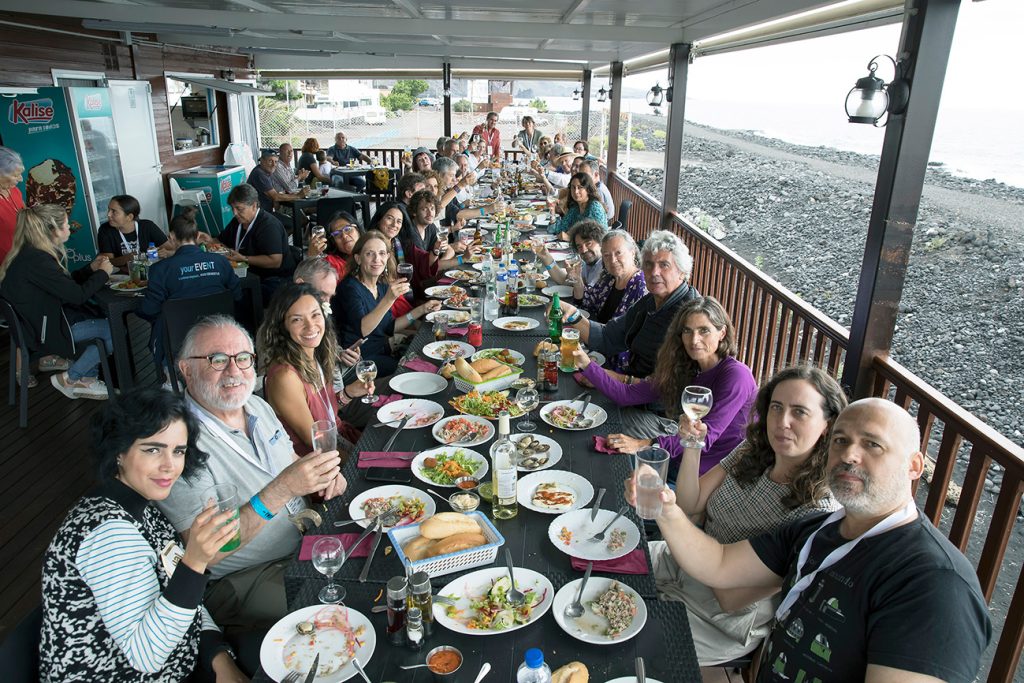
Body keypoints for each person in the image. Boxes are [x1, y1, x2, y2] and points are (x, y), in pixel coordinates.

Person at [628, 398, 992, 683]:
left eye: (872, 445)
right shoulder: (818, 529)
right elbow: (720, 564)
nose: (850, 454)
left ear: (913, 467)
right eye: (841, 441)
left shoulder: (935, 583)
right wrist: (667, 508)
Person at [39, 387, 249, 682]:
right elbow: (147, 655)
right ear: (119, 451)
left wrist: (219, 657)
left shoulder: (141, 506)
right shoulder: (108, 534)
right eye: (153, 449)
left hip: (183, 663)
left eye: (178, 451)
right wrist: (195, 562)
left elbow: (184, 599)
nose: (170, 465)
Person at [645, 366, 845, 670]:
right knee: (601, 567)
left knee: (628, 639)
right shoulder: (753, 451)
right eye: (776, 408)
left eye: (800, 412)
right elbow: (691, 503)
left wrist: (685, 534)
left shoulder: (817, 511)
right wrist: (692, 446)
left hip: (719, 618)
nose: (782, 422)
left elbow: (731, 598)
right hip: (678, 562)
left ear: (827, 426)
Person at [156, 315, 345, 633]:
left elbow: (290, 460)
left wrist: (322, 475)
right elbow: (210, 553)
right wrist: (284, 488)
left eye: (243, 358)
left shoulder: (257, 406)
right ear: (185, 368)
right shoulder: (177, 445)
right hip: (248, 576)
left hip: (306, 537)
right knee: (340, 604)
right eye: (217, 360)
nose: (234, 371)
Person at [580, 296, 757, 476]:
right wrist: (585, 363)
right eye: (688, 331)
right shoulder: (687, 367)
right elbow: (626, 395)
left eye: (704, 330)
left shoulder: (736, 375)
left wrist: (644, 444)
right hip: (681, 447)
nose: (694, 340)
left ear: (722, 333)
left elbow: (704, 438)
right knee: (620, 418)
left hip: (711, 470)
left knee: (618, 469)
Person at [0, 204, 113, 400]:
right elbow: (77, 296)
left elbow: (64, 287)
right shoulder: (39, 261)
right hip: (46, 332)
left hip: (36, 325)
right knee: (113, 330)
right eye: (67, 225)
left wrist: (90, 270)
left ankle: (85, 379)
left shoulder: (28, 253)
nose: (70, 229)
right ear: (53, 230)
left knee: (99, 323)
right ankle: (72, 378)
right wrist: (103, 273)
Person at [561, 230, 700, 378]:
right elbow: (608, 336)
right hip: (628, 386)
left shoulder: (691, 314)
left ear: (682, 272)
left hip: (647, 395)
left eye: (664, 265)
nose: (654, 272)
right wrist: (573, 315)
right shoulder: (649, 303)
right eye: (648, 264)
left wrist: (613, 379)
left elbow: (674, 384)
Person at [257, 282, 371, 453]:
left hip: (337, 438)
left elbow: (323, 413)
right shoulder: (285, 376)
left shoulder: (315, 353)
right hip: (319, 462)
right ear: (283, 326)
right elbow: (318, 444)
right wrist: (365, 462)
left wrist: (348, 393)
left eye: (315, 315)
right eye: (297, 319)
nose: (310, 326)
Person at [138, 207, 242, 369]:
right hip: (220, 326)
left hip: (177, 335)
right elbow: (237, 295)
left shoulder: (161, 269)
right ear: (198, 235)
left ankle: (168, 376)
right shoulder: (220, 261)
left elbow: (150, 308)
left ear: (172, 236)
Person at [332, 230, 440, 375]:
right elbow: (363, 330)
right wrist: (389, 299)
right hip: (361, 361)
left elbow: (389, 327)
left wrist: (422, 310)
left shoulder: (381, 286)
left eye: (382, 253)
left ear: (388, 257)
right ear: (358, 258)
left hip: (382, 351)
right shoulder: (349, 288)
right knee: (413, 372)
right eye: (369, 254)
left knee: (433, 355)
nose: (377, 259)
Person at [218, 183, 296, 301]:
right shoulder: (238, 221)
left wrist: (244, 258)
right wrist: (208, 240)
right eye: (232, 208)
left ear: (254, 206)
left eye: (239, 209)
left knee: (236, 296)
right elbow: (220, 241)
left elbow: (275, 261)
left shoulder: (268, 226)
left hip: (275, 280)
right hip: (250, 274)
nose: (234, 213)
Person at [577, 229, 647, 323]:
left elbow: (625, 332)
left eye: (618, 253)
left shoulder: (641, 286)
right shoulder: (608, 277)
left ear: (632, 253)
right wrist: (577, 278)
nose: (613, 260)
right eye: (606, 255)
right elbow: (587, 301)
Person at [96, 194, 171, 267]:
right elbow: (107, 261)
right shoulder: (105, 230)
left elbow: (173, 250)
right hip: (122, 276)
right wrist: (126, 258)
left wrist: (167, 253)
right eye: (108, 209)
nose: (108, 214)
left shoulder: (148, 226)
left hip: (151, 270)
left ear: (129, 217)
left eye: (114, 211)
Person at [536, 219, 606, 288]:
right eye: (579, 246)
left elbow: (587, 295)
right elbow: (564, 281)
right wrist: (547, 258)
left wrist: (576, 280)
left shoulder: (605, 267)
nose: (584, 250)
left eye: (588, 243)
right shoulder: (588, 264)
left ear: (601, 242)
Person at [305, 210, 362, 281]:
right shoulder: (332, 263)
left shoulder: (373, 248)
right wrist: (312, 257)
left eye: (347, 229)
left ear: (358, 230)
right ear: (333, 242)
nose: (344, 236)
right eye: (337, 233)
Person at [0, 145, 26, 264]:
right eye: (15, 175)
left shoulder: (15, 191)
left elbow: (27, 216)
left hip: (24, 259)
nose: (20, 179)